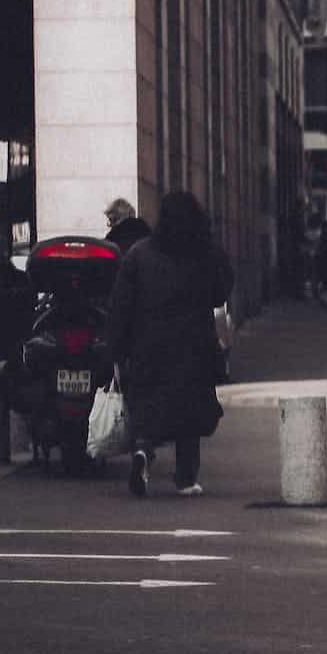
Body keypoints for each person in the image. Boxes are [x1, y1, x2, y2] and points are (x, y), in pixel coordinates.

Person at [105, 189, 234, 497]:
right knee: (188, 416)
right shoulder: (205, 253)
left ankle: (143, 451)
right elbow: (220, 293)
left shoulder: (139, 253)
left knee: (149, 409)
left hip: (147, 346)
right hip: (194, 347)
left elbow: (121, 304)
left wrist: (117, 350)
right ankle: (187, 478)